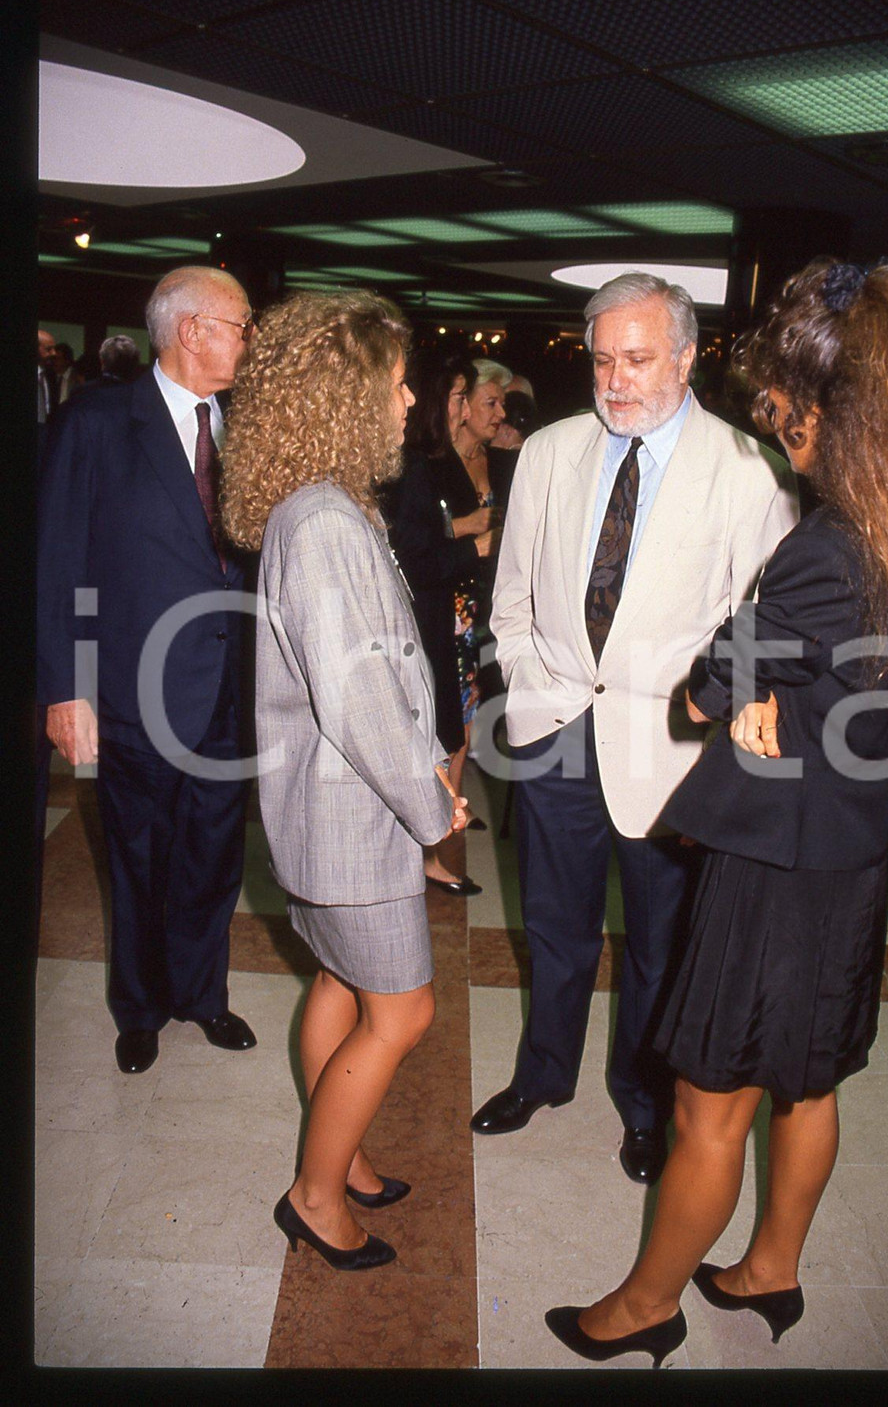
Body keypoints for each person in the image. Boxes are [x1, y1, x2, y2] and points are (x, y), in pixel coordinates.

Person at [544, 258, 888, 1365]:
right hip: (851, 851)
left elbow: (700, 685)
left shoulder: (823, 547)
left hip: (774, 863)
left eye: (782, 412)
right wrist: (789, 700)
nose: (777, 435)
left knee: (708, 1104)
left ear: (827, 412)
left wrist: (740, 694)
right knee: (808, 1076)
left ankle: (641, 1305)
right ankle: (771, 1265)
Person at [471, 272, 798, 1187]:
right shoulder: (549, 451)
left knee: (661, 944)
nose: (615, 379)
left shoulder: (744, 471)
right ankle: (543, 1075)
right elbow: (514, 603)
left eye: (639, 358)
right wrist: (535, 693)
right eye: (603, 358)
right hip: (556, 725)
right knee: (554, 923)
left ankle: (645, 1103)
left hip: (673, 750)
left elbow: (760, 631)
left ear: (688, 357)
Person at [220, 289, 467, 1271]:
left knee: (338, 977)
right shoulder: (322, 520)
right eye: (397, 383)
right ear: (344, 397)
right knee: (402, 1008)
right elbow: (360, 691)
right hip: (351, 813)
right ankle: (316, 1193)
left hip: (325, 813)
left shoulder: (320, 501)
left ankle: (343, 1147)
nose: (410, 399)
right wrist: (429, 798)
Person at [36, 265, 259, 1075]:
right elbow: (55, 561)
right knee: (135, 853)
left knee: (213, 851)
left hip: (230, 686)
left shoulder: (244, 428)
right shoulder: (96, 420)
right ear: (193, 329)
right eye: (240, 323)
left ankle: (202, 994)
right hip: (133, 682)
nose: (248, 337)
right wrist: (65, 687)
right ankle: (138, 1007)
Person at [381, 349, 498, 894]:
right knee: (434, 736)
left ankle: (432, 848)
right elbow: (415, 560)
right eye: (457, 397)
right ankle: (427, 851)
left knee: (451, 735)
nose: (463, 409)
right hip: (427, 624)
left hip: (450, 620)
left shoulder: (434, 460)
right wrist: (477, 547)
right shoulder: (410, 466)